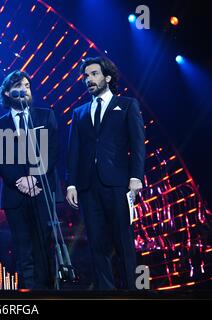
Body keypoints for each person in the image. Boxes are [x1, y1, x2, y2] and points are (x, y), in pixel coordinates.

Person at [66, 56, 145, 290]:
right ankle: (105, 293)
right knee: (97, 244)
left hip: (117, 184)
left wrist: (136, 177)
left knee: (123, 241)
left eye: (94, 74)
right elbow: (74, 152)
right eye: (86, 76)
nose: (89, 79)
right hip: (89, 186)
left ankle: (134, 290)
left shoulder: (127, 105)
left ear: (107, 77)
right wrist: (71, 184)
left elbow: (137, 144)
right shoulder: (79, 112)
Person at [0, 70, 60, 289]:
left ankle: (48, 291)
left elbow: (53, 150)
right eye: (18, 87)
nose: (24, 90)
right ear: (8, 93)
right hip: (14, 194)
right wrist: (19, 181)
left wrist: (34, 178)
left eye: (27, 85)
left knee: (44, 245)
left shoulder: (45, 115)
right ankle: (29, 293)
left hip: (42, 192)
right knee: (23, 247)